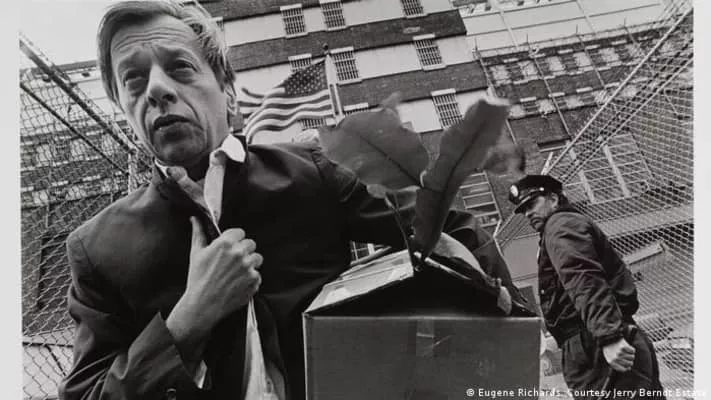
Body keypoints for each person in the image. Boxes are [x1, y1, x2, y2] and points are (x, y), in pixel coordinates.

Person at [58, 1, 524, 399]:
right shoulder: (96, 248)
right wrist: (186, 324)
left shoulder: (311, 170)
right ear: (123, 109)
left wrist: (513, 340)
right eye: (133, 80)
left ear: (227, 90)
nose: (157, 89)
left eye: (179, 67)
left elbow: (447, 224)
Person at [509, 175, 665, 399]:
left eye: (532, 204)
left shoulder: (560, 225)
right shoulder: (562, 226)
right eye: (523, 210)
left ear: (553, 199)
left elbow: (584, 280)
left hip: (595, 345)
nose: (527, 213)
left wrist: (609, 337)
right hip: (601, 339)